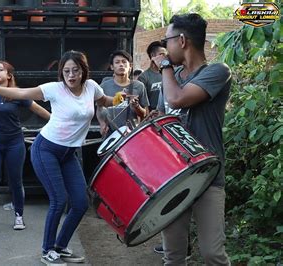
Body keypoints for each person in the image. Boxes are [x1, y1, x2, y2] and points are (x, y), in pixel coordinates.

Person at [0, 50, 116, 265]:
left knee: (80, 203)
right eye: (66, 71)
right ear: (61, 72)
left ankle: (60, 246)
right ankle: (47, 249)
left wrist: (120, 98)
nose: (71, 75)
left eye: (75, 70)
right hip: (46, 149)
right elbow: (22, 94)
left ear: (83, 71)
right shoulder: (54, 89)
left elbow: (104, 100)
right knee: (59, 200)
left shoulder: (91, 87)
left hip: (68, 153)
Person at [152, 13, 231, 265]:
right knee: (173, 256)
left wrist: (164, 66)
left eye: (167, 41)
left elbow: (177, 99)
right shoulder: (172, 77)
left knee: (212, 254)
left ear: (182, 40)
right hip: (173, 177)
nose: (165, 47)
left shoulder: (217, 72)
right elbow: (165, 115)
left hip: (208, 175)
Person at [0, 60, 50, 233]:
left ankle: (19, 215)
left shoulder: (18, 94)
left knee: (15, 181)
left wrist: (56, 122)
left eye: (1, 70)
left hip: (15, 143)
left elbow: (38, 110)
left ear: (9, 75)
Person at [97, 50, 149, 137]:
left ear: (130, 66)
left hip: (131, 135)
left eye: (124, 62)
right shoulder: (103, 86)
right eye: (117, 62)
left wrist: (137, 106)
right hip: (110, 135)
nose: (121, 64)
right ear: (112, 67)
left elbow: (145, 114)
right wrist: (102, 123)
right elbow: (99, 109)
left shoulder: (139, 86)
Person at [138, 41, 167, 111]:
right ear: (152, 56)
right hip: (154, 117)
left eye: (166, 55)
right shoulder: (144, 77)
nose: (165, 57)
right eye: (162, 54)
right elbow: (144, 103)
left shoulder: (170, 73)